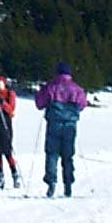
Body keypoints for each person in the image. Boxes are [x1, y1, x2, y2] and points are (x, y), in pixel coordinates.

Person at [34, 62, 87, 198]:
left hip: (54, 124)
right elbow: (82, 104)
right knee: (68, 156)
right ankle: (68, 184)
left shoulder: (51, 87)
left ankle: (51, 182)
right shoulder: (76, 88)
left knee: (52, 154)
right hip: (70, 126)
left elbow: (39, 104)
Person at [0, 75, 21, 188]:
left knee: (7, 151)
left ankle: (15, 175)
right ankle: (0, 176)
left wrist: (3, 103)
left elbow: (11, 110)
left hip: (5, 124)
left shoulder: (9, 94)